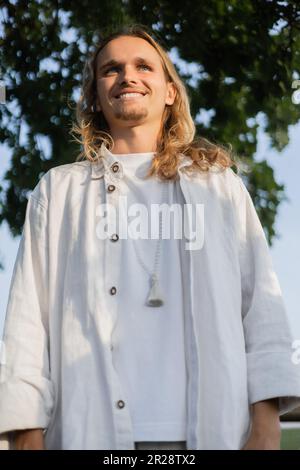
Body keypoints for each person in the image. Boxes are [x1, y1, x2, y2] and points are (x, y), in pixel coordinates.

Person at [0, 24, 300, 451]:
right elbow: (28, 322)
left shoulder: (219, 187)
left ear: (170, 91)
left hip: (212, 433)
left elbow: (262, 310)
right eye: (111, 69)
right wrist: (27, 436)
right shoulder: (59, 191)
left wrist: (267, 431)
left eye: (144, 66)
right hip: (89, 433)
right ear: (95, 96)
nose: (127, 76)